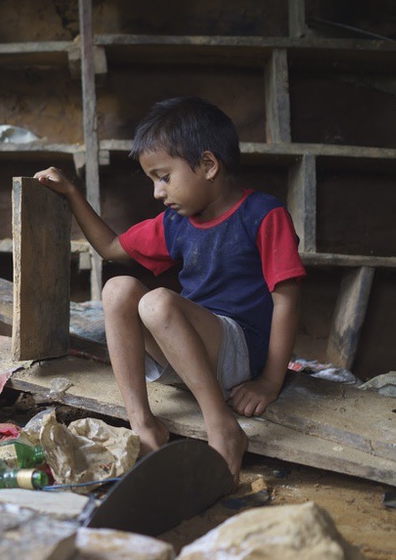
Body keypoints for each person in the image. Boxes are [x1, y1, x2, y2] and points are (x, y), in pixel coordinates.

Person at [34, 96, 305, 480]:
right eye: (153, 181)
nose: (158, 193)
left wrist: (269, 382)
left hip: (240, 352)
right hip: (189, 355)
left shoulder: (262, 214)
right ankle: (143, 424)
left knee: (158, 302)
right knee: (117, 289)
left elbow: (287, 299)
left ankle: (221, 426)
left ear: (208, 165)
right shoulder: (177, 223)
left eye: (164, 177)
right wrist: (73, 194)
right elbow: (111, 248)